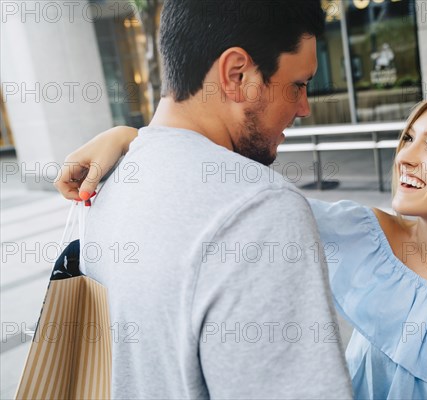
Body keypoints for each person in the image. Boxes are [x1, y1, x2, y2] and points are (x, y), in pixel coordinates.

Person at [57, 87, 427, 399]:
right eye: (408, 137)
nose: (406, 156)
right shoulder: (364, 238)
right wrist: (133, 138)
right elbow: (229, 196)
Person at [53, 0, 353, 399]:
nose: (304, 108)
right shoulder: (260, 210)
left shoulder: (110, 176)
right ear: (237, 74)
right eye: (298, 84)